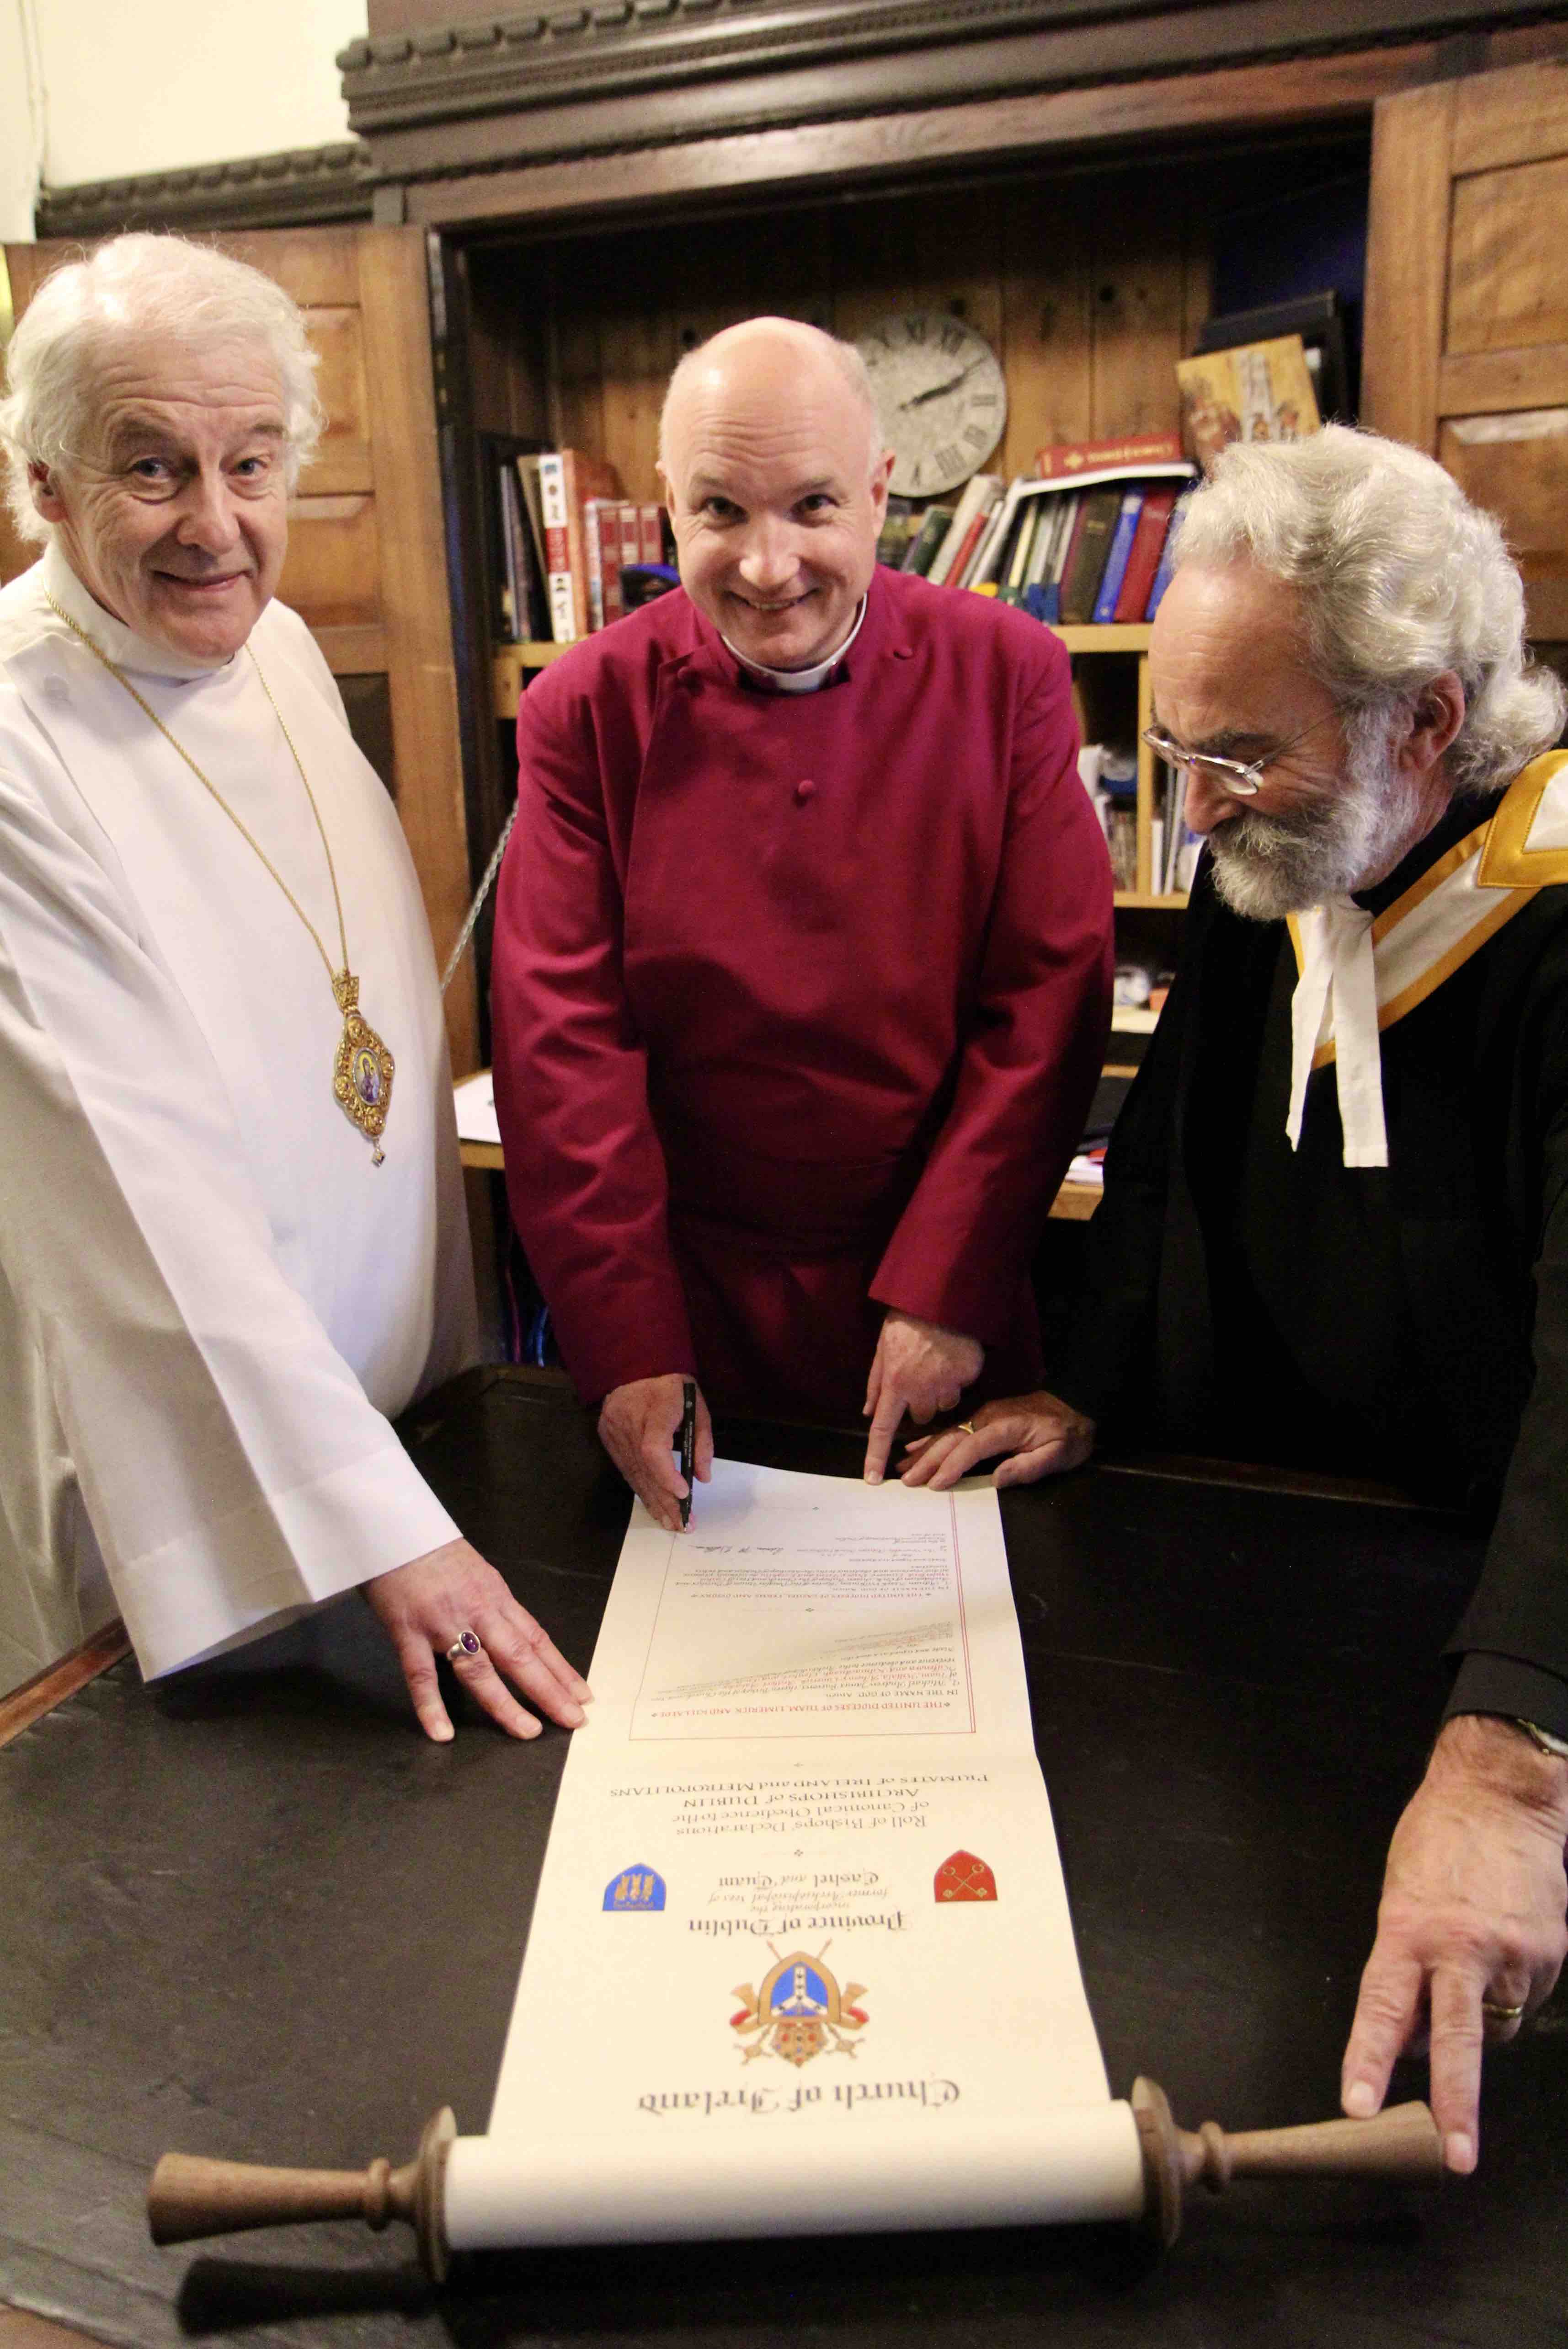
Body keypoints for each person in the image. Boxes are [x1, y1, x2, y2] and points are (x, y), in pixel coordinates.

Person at [901, 425, 1568, 2174]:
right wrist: (1096, 1381)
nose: (1191, 803)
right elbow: (1178, 1140)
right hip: (1297, 1573)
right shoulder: (1272, 843)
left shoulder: (1558, 923)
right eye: (1175, 743)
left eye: (1242, 754)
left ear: (1426, 721)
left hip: (1508, 1617)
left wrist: (1511, 1768)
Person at [0, 234, 588, 1742]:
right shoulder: (19, 735)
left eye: (251, 463)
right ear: (47, 483)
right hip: (192, 1479)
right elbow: (134, 1185)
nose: (217, 526)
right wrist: (369, 1519)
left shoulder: (286, 654)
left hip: (382, 1444)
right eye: (153, 468)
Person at [490, 317, 1113, 1526]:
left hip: (944, 1287)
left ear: (881, 495)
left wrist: (947, 1285)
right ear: (671, 506)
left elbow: (1047, 996)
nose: (769, 566)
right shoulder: (582, 712)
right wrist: (626, 1337)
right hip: (684, 1307)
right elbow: (561, 1043)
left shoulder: (1013, 674)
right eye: (722, 511)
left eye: (814, 506)